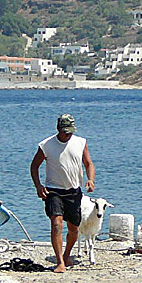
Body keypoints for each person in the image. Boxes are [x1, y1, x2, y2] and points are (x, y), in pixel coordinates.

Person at [30, 114, 95, 273]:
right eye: (65, 132)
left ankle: (67, 255)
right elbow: (34, 166)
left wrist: (90, 179)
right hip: (54, 190)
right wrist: (38, 186)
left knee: (74, 228)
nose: (68, 135)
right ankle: (60, 262)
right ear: (58, 129)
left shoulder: (81, 142)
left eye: (71, 131)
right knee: (56, 223)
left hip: (74, 191)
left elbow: (88, 163)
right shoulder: (46, 145)